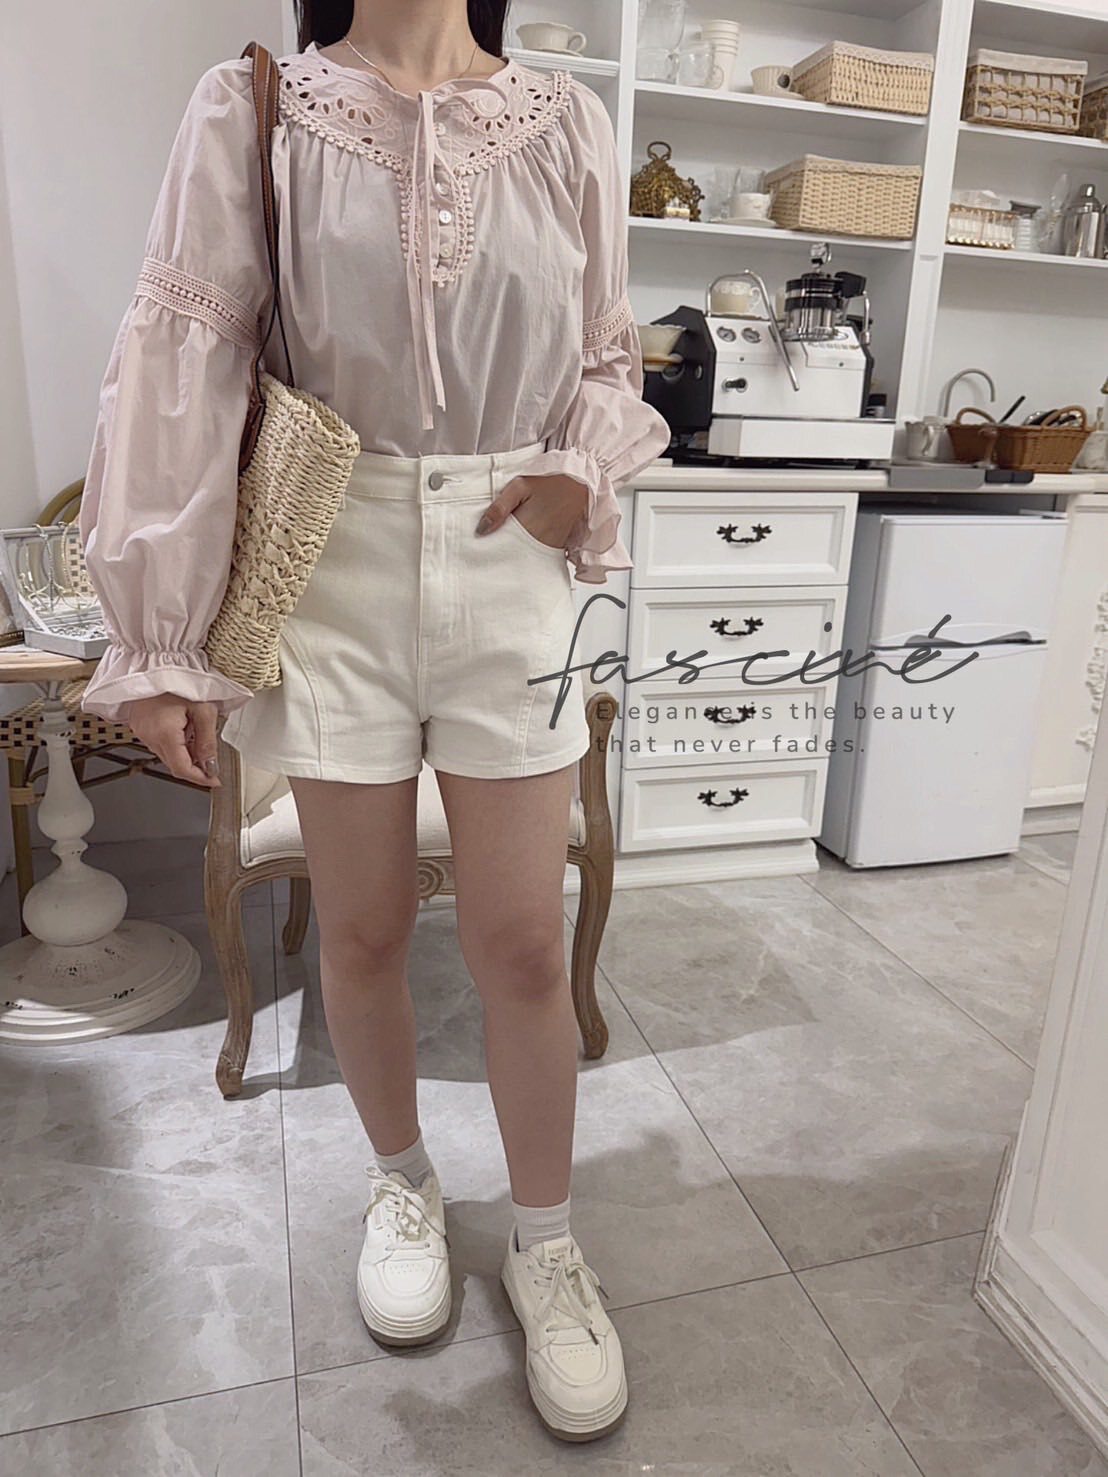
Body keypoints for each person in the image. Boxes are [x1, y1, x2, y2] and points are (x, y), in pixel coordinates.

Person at [77, 0, 671, 1443]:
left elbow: (606, 357)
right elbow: (189, 361)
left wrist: (586, 474)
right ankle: (403, 1183)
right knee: (361, 928)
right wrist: (159, 637)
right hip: (329, 561)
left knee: (521, 940)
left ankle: (544, 1240)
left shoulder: (567, 124)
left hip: (512, 559)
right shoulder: (259, 109)